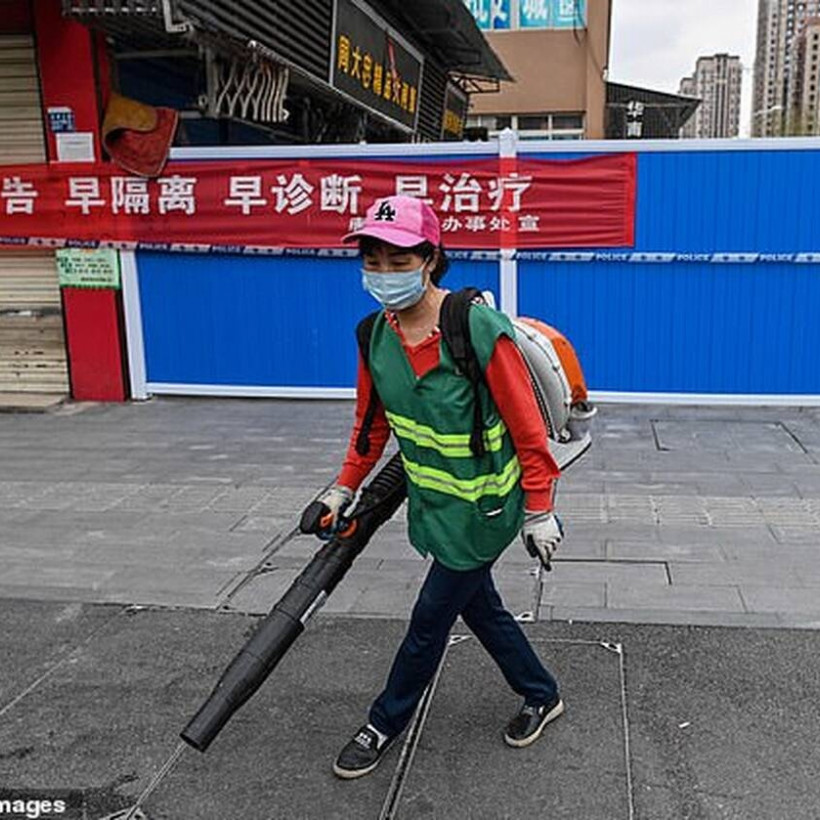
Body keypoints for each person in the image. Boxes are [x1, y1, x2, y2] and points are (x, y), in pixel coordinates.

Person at [308, 194, 565, 780]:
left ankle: (382, 722)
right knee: (481, 609)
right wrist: (341, 489)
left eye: (399, 261)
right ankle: (541, 691)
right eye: (373, 260)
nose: (384, 273)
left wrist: (540, 509)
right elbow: (370, 426)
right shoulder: (374, 335)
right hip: (432, 509)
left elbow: (527, 426)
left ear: (430, 259)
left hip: (486, 512)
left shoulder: (474, 327)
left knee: (429, 621)